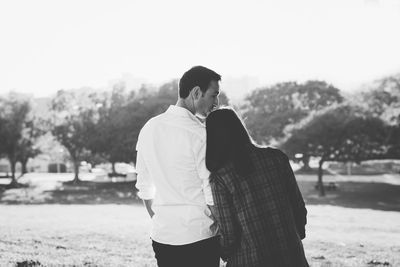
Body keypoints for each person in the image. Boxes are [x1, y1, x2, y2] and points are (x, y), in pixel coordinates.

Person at [135, 66, 222, 267]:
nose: (216, 103)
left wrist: (161, 221)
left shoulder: (149, 128)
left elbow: (144, 186)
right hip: (200, 235)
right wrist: (224, 230)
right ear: (196, 93)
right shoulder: (201, 134)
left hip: (162, 236)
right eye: (214, 95)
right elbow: (210, 191)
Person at [206, 107, 309, 267]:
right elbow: (298, 206)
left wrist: (224, 253)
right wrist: (295, 236)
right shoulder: (276, 157)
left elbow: (229, 232)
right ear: (240, 128)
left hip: (249, 259)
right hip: (291, 254)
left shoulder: (220, 177)